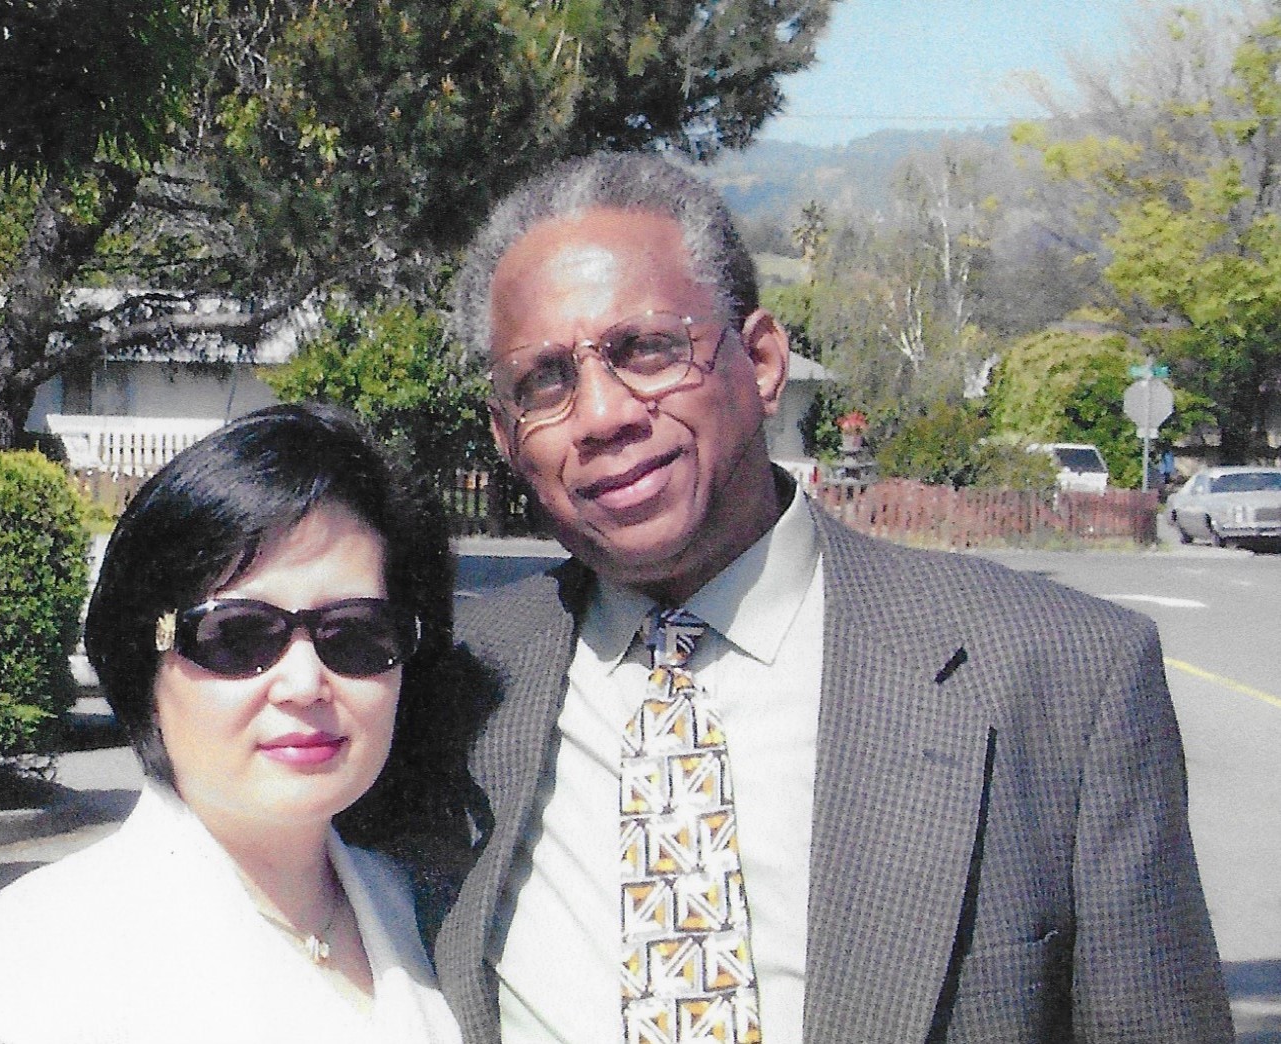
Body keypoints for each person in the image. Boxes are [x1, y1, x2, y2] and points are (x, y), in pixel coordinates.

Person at [432, 152, 1232, 1043]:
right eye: (545, 381)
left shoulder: (1063, 677)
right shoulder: (443, 686)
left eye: (648, 349)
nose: (602, 414)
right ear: (506, 434)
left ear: (762, 361)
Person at [0, 403, 466, 1044]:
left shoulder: (435, 919)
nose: (304, 683)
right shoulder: (17, 969)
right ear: (143, 660)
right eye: (238, 636)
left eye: (355, 634)